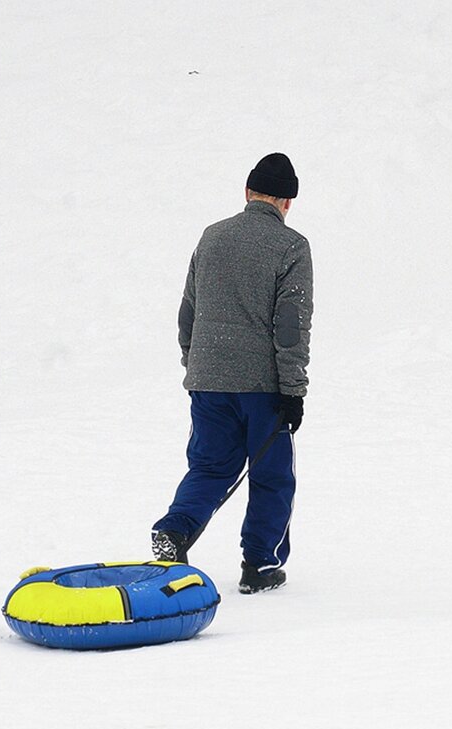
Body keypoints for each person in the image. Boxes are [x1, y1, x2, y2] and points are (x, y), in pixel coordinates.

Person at [150, 152, 313, 594]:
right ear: (287, 203)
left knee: (208, 467)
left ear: (247, 193)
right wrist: (293, 390)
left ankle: (175, 530)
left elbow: (189, 309)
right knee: (272, 475)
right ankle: (260, 566)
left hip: (208, 379)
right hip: (263, 386)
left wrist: (196, 361)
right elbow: (291, 324)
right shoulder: (291, 247)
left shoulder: (212, 237)